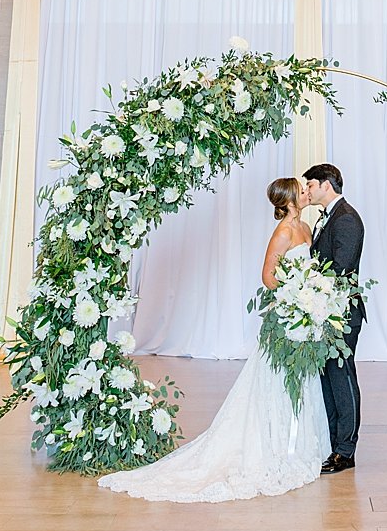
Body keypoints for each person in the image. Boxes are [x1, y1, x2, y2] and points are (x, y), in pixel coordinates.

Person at [98, 177, 331, 503]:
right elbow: (267, 276)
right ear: (291, 199)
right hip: (287, 315)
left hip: (302, 317)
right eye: (302, 190)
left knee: (301, 378)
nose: (307, 192)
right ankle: (272, 443)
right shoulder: (283, 233)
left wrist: (310, 292)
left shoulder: (305, 228)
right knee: (277, 380)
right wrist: (295, 292)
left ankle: (299, 444)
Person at [302, 162, 365, 474]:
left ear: (326, 185)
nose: (307, 191)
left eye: (310, 185)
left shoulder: (346, 218)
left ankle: (345, 450)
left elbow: (340, 269)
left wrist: (307, 288)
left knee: (342, 378)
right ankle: (334, 444)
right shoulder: (328, 217)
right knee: (328, 379)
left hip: (342, 313)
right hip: (325, 312)